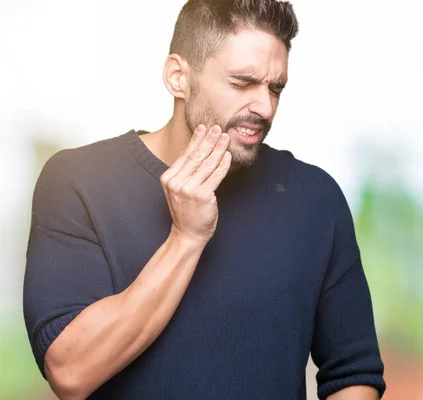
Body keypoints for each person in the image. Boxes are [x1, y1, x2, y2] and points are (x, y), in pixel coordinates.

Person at [22, 0, 386, 399]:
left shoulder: (315, 198)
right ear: (178, 76)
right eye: (242, 83)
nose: (264, 107)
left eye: (275, 88)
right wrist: (186, 238)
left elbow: (354, 373)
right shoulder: (79, 182)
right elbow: (71, 373)